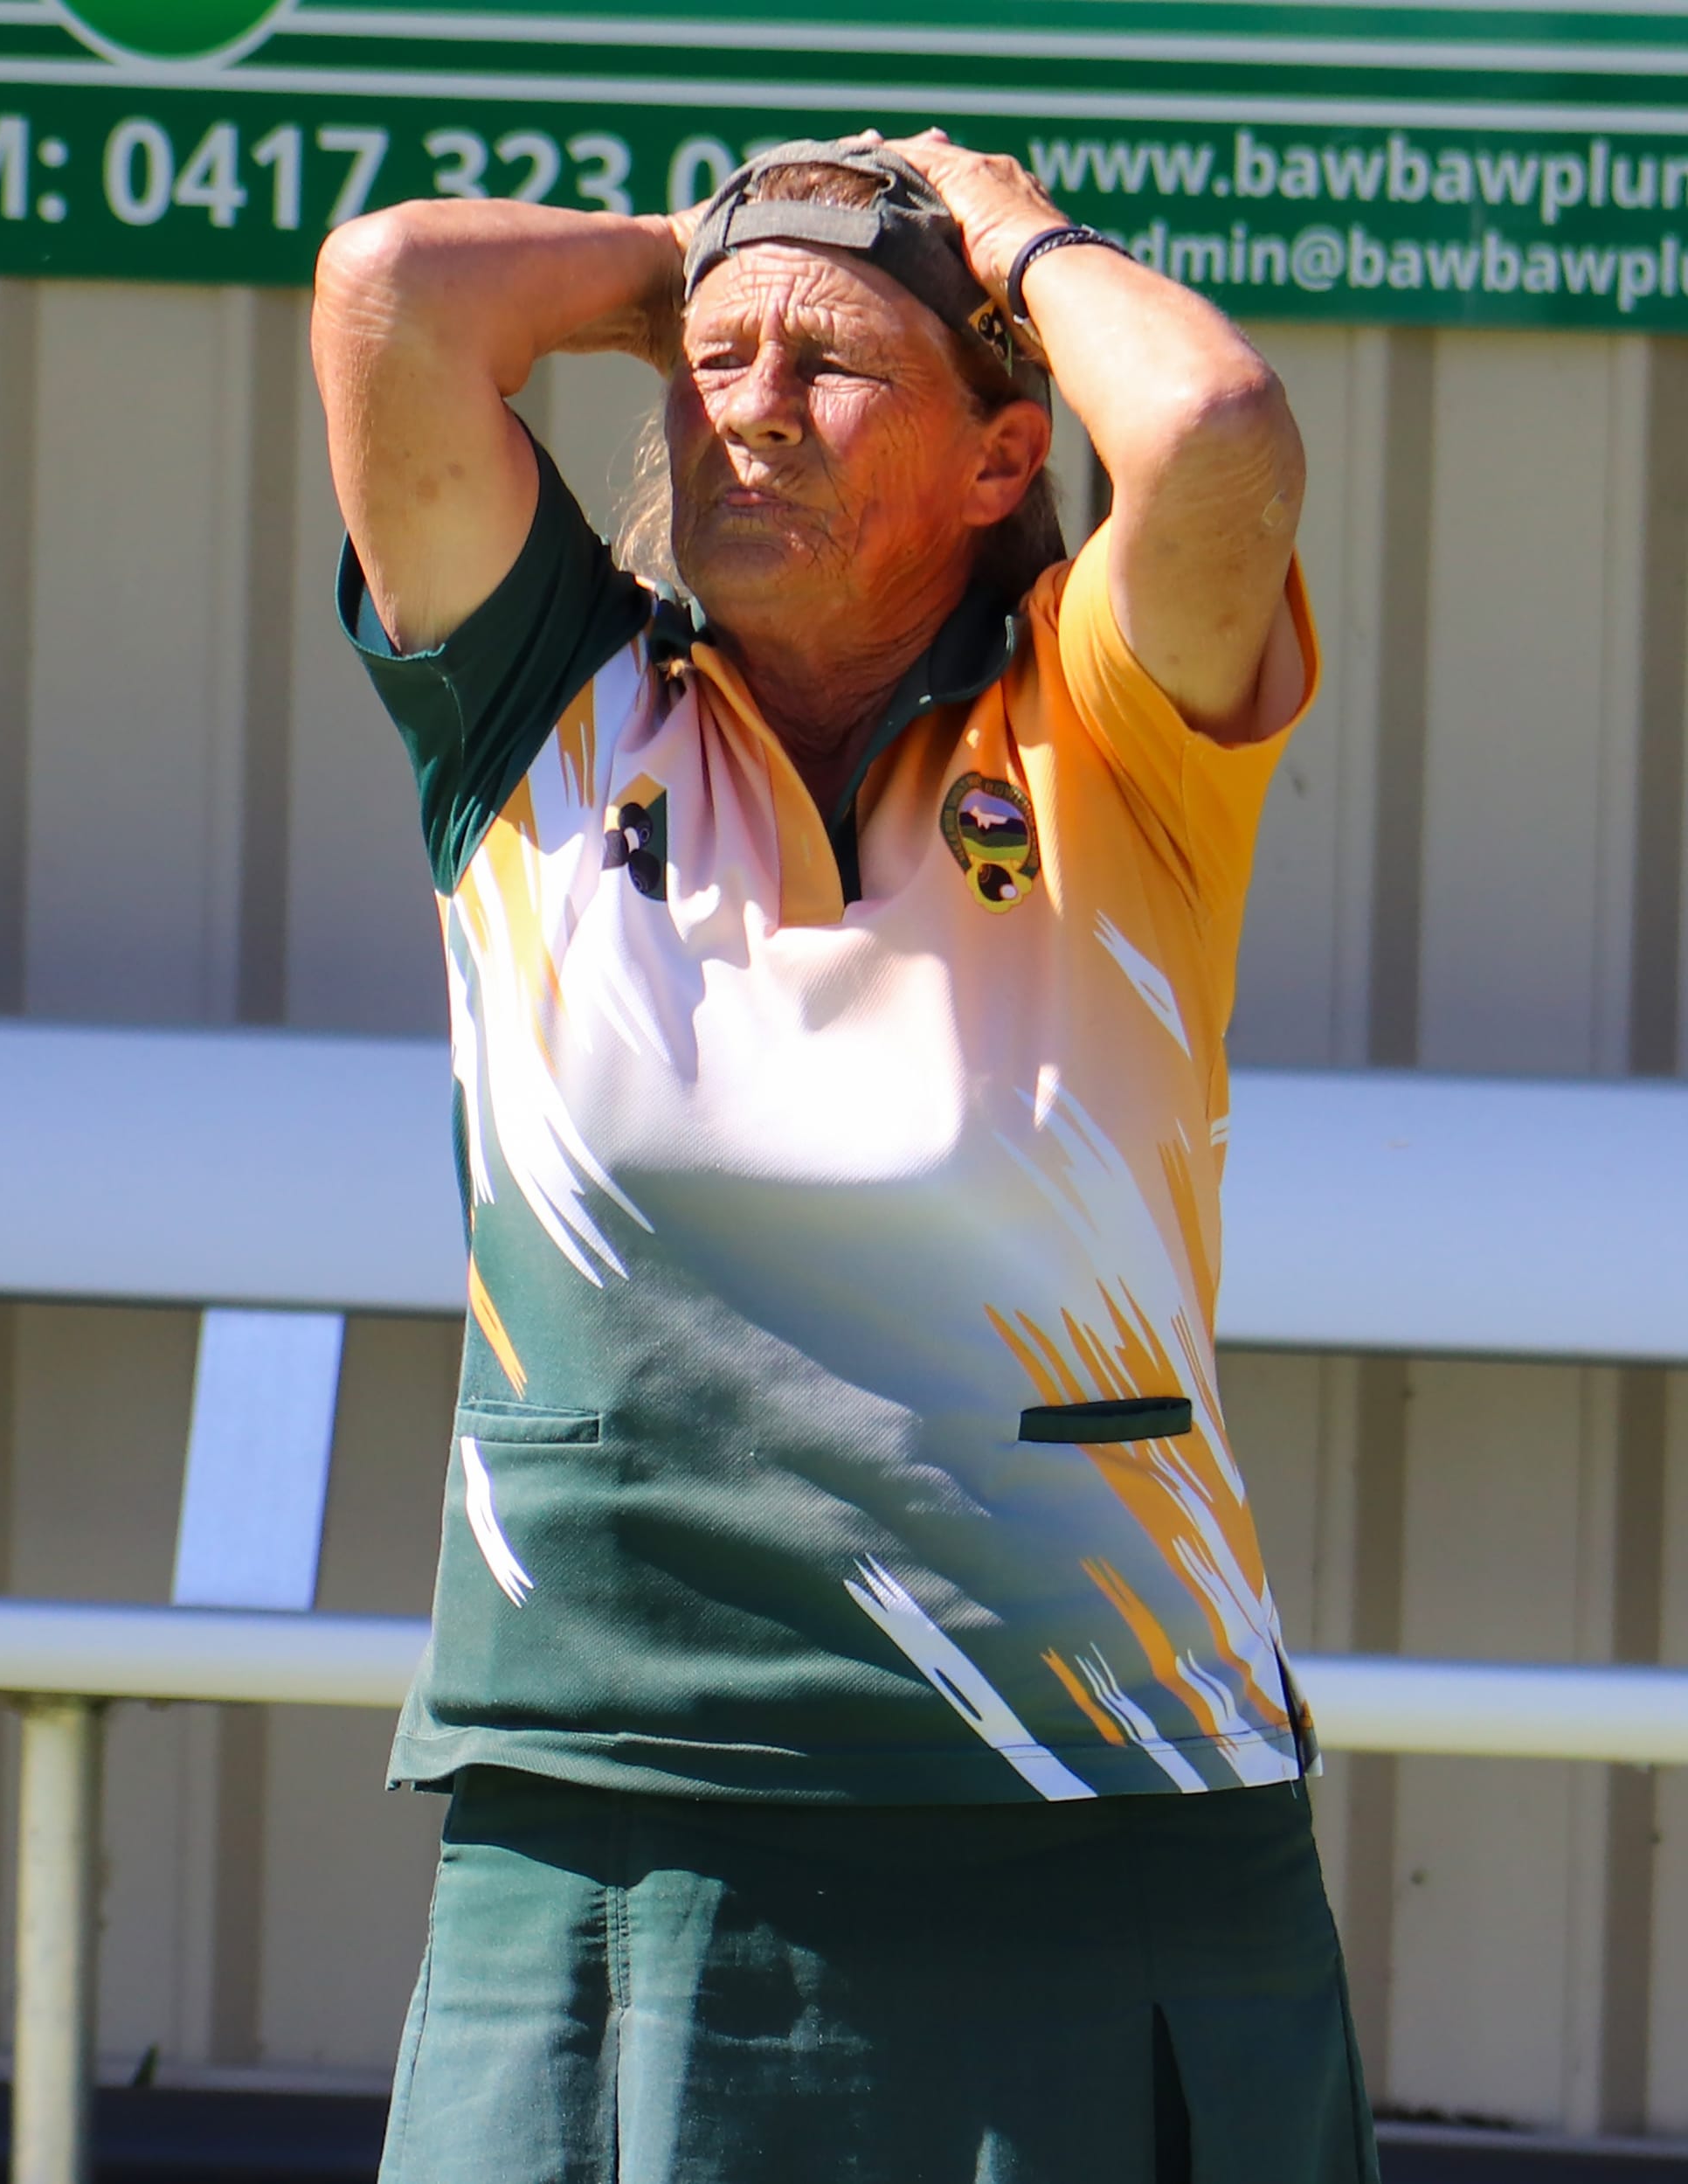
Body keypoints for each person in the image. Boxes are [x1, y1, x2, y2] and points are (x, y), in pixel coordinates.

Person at [312, 129, 1377, 2184]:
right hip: (615, 1782)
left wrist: (1004, 236)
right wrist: (720, 259)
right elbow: (391, 296)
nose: (750, 409)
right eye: (712, 368)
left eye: (830, 368)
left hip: (1097, 1793)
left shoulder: (1103, 718)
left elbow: (1214, 431)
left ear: (1000, 458)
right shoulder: (541, 707)